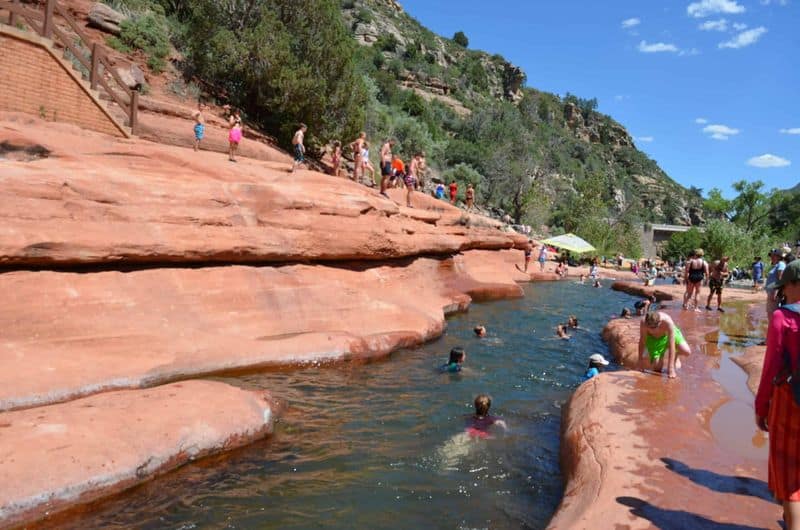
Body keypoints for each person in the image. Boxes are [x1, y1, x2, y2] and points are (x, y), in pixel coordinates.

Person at [755, 259, 800, 529]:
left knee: (790, 474)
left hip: (790, 401)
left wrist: (761, 407)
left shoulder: (783, 317)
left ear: (794, 284)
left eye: (785, 286)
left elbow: (771, 365)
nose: (783, 291)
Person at [638, 311, 691, 379]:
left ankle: (676, 356)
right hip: (654, 339)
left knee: (686, 351)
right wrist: (640, 361)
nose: (652, 330)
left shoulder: (668, 322)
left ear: (659, 322)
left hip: (667, 335)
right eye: (649, 327)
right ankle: (661, 353)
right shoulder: (643, 322)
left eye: (654, 327)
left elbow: (672, 345)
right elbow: (642, 341)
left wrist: (671, 368)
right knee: (657, 368)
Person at [767, 249, 788, 326]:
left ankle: (773, 334)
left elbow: (780, 279)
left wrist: (776, 292)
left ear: (779, 257)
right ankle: (772, 334)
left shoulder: (781, 264)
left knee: (772, 314)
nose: (771, 257)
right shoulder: (776, 265)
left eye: (773, 256)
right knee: (770, 314)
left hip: (774, 293)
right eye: (771, 256)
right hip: (772, 292)